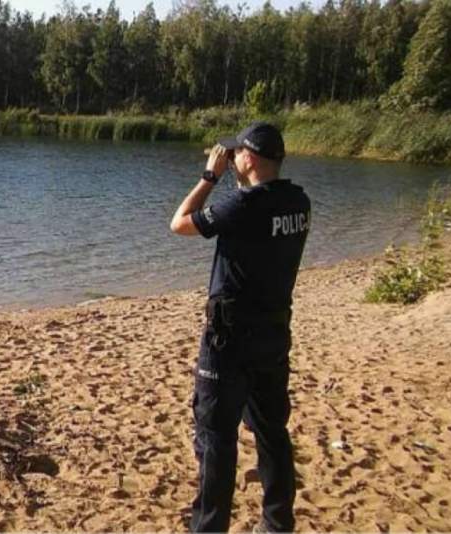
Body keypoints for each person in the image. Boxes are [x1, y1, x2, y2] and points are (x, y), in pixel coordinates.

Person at [169, 121, 311, 533]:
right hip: (273, 335)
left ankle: (209, 527)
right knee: (271, 433)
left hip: (229, 341)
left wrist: (209, 176)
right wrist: (236, 179)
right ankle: (277, 523)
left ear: (249, 158)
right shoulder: (298, 202)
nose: (231, 160)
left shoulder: (244, 206)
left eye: (236, 155)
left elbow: (179, 223)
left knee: (216, 438)